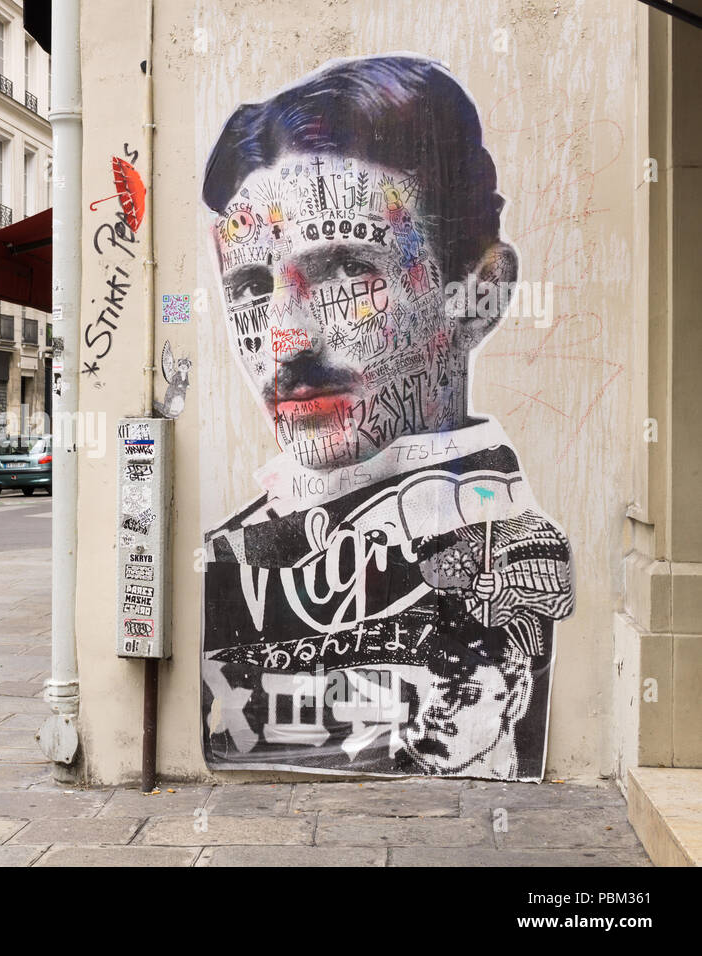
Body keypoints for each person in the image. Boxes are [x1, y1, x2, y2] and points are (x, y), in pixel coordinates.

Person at [199, 54, 573, 780]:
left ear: (480, 295)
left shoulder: (519, 554)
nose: (285, 341)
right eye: (249, 284)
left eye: (346, 270)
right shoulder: (233, 560)